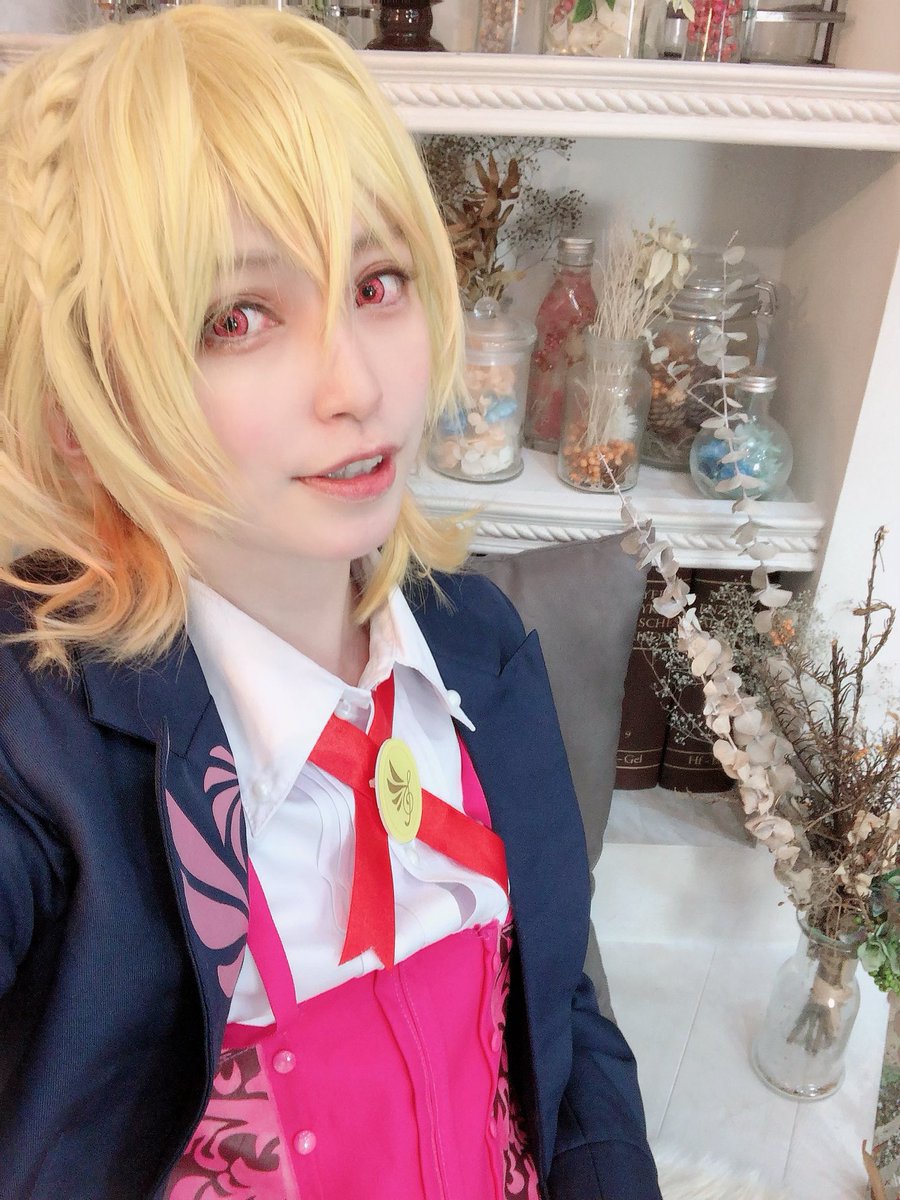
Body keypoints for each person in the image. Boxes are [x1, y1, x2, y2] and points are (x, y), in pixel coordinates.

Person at [0, 7, 661, 1199]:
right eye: (238, 317)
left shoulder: (481, 645)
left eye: (377, 282)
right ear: (80, 407)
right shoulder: (32, 745)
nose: (357, 384)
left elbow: (562, 1007)